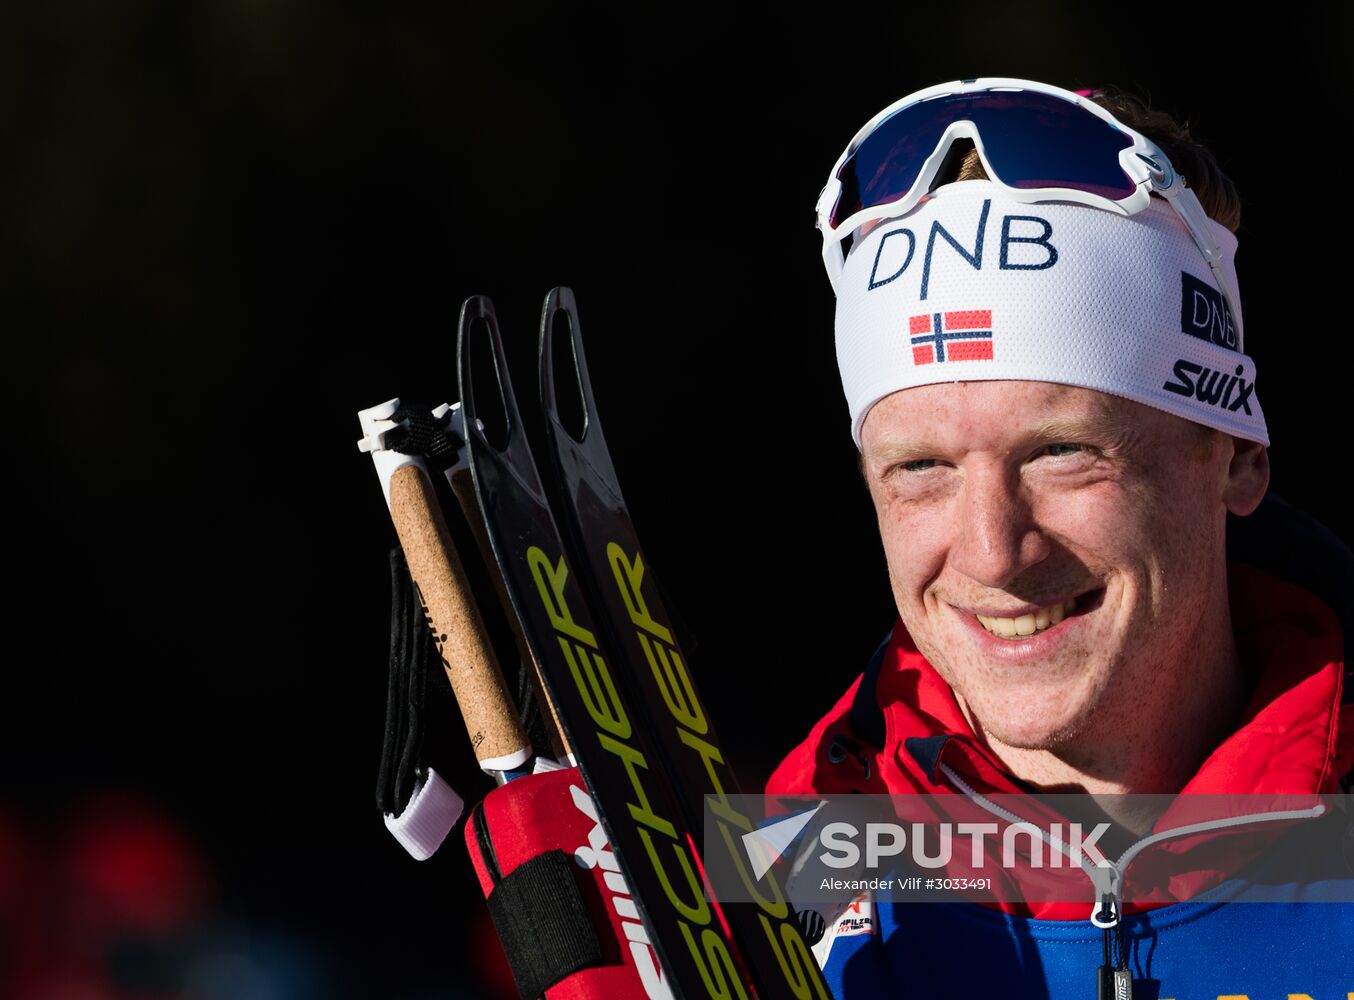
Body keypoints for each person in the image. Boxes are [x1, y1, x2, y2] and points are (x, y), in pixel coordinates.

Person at [768, 77, 1354, 996]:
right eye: (921, 467)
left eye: (1063, 452)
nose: (994, 551)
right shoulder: (772, 883)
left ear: (1235, 456)